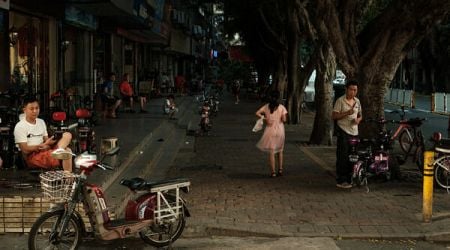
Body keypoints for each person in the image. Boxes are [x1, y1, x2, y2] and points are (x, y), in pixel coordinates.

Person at [14, 96, 73, 172]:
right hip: (33, 156)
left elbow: (46, 140)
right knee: (67, 151)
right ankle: (68, 179)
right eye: (32, 109)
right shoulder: (20, 126)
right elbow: (25, 150)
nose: (35, 111)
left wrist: (53, 140)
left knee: (67, 135)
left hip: (45, 150)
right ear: (25, 110)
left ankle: (67, 178)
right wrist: (39, 147)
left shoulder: (41, 122)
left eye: (37, 108)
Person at [332, 79, 362, 189]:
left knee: (353, 155)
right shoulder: (340, 101)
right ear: (346, 89)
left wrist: (358, 120)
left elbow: (360, 115)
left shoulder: (357, 101)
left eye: (355, 90)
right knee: (342, 156)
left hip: (354, 132)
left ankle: (351, 178)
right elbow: (334, 116)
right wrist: (346, 113)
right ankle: (341, 179)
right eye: (351, 90)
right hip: (343, 131)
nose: (353, 92)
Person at [255, 90, 288, 178]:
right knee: (280, 151)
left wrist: (265, 118)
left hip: (270, 131)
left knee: (272, 152)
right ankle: (280, 170)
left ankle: (273, 172)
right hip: (280, 131)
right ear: (278, 97)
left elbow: (257, 112)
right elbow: (284, 120)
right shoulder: (282, 107)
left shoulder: (266, 107)